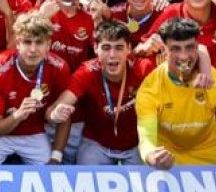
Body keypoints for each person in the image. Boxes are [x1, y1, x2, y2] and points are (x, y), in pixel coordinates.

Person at [135, 18, 216, 168]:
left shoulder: (214, 81)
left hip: (211, 153)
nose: (184, 56)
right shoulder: (150, 89)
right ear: (163, 51)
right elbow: (146, 139)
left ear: (197, 48)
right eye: (175, 49)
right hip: (169, 160)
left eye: (189, 47)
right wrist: (151, 156)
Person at [50, 20, 153, 165]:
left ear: (129, 48)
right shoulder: (86, 72)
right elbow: (52, 110)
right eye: (106, 48)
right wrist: (56, 114)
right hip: (96, 145)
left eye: (119, 47)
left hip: (136, 145)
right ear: (95, 48)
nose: (112, 55)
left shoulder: (143, 69)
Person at [0, 12, 71, 165]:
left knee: (49, 174)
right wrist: (18, 115)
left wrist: (56, 156)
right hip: (0, 138)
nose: (33, 49)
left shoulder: (59, 67)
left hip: (35, 133)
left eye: (39, 42)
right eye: (27, 42)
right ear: (18, 43)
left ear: (49, 44)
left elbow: (65, 116)